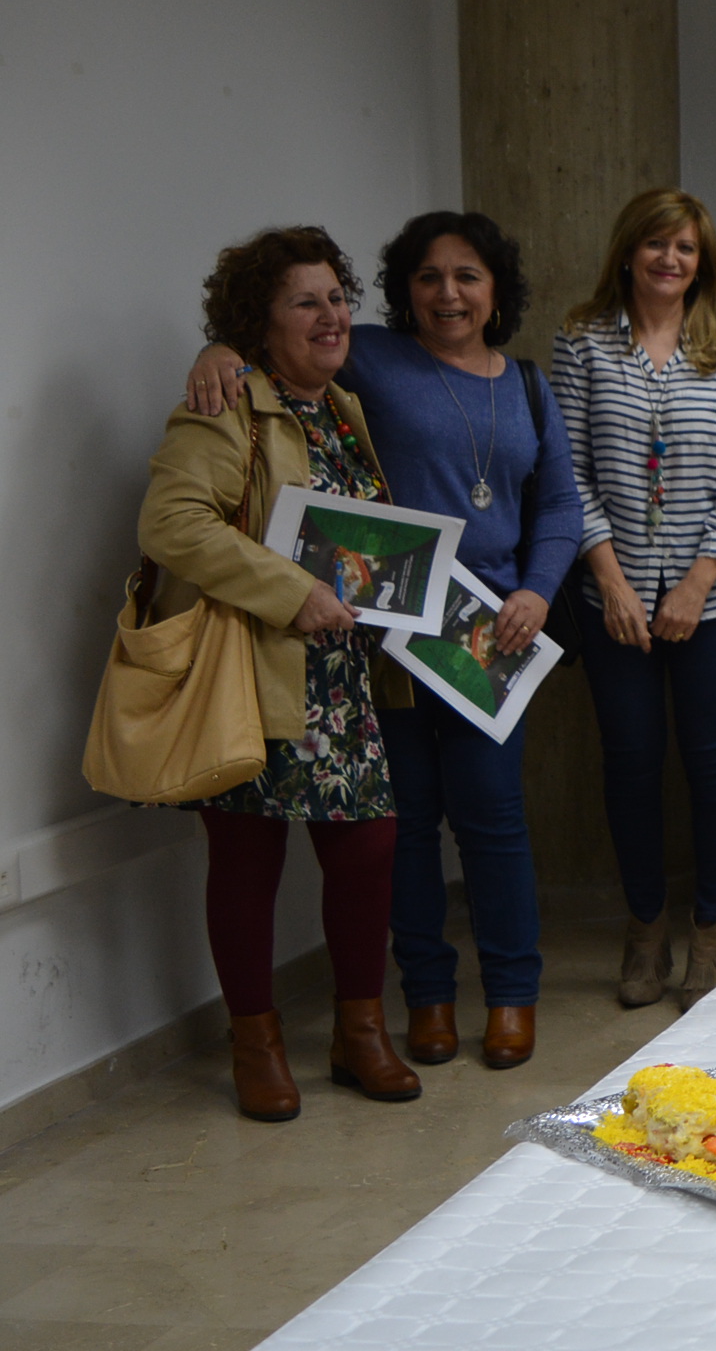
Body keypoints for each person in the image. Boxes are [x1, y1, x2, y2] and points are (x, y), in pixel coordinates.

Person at [186, 212, 584, 1070]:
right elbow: (275, 352)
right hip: (384, 628)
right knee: (399, 826)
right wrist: (214, 354)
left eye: (468, 276)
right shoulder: (364, 356)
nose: (449, 293)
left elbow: (558, 505)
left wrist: (537, 590)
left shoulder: (525, 383)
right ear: (405, 289)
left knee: (495, 818)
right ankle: (427, 999)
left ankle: (512, 998)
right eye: (430, 276)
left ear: (494, 289)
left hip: (490, 626)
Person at [144, 228, 421, 1120]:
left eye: (338, 298)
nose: (332, 316)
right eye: (306, 302)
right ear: (257, 323)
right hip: (257, 670)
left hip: (342, 678)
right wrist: (291, 592)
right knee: (248, 860)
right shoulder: (226, 404)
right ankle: (254, 1040)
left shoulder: (343, 406)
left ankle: (359, 1031)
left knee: (368, 852)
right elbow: (173, 526)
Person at [551, 189, 716, 1011]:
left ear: (701, 262)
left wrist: (695, 582)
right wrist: (611, 581)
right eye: (655, 246)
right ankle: (646, 928)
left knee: (713, 761)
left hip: (713, 597)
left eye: (685, 248)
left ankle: (712, 928)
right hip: (615, 603)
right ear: (629, 252)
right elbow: (570, 474)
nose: (670, 260)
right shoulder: (584, 344)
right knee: (631, 765)